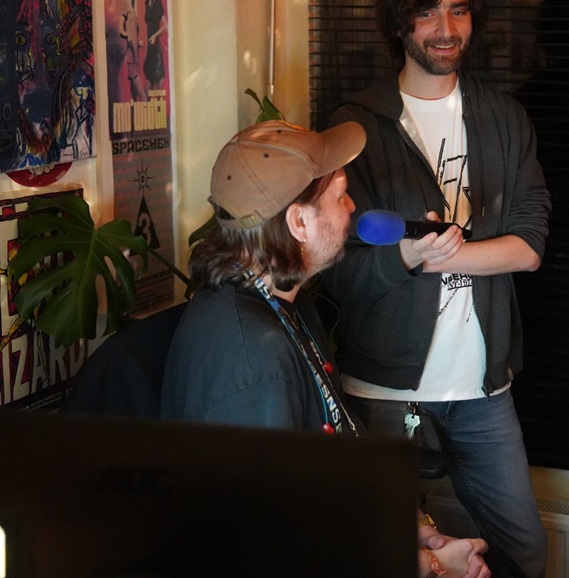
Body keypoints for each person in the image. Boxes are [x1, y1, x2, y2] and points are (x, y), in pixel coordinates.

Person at [160, 119, 491, 578]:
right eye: (340, 195)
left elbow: (341, 446)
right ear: (298, 222)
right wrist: (428, 566)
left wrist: (415, 530)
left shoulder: (285, 303)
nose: (352, 207)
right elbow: (277, 547)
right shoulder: (253, 363)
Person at [322, 0, 551, 578]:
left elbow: (530, 246)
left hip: (482, 387)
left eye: (458, 10)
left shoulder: (503, 118)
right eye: (426, 12)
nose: (445, 28)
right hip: (383, 391)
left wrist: (431, 258)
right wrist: (406, 255)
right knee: (385, 553)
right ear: (400, 22)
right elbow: (338, 270)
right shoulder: (355, 126)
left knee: (524, 550)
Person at [141, 0, 167, 92]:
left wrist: (155, 36)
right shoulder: (147, 3)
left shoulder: (157, 2)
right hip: (149, 51)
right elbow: (147, 31)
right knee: (147, 93)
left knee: (156, 93)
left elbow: (166, 26)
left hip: (156, 51)